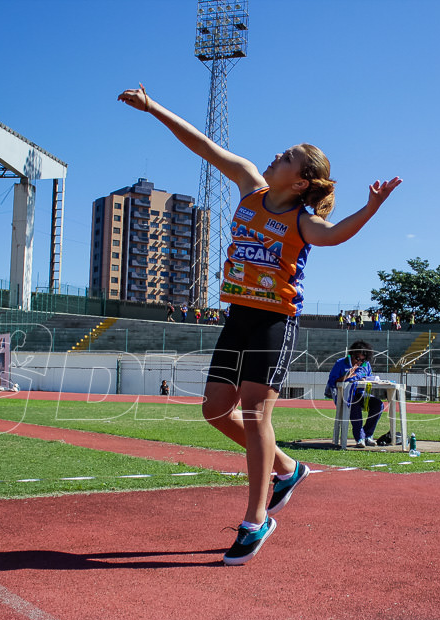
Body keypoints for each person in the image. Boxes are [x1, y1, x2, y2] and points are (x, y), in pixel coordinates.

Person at [119, 82, 401, 565]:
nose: (275, 154)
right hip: (237, 317)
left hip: (274, 321)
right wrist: (153, 108)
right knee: (213, 411)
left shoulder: (301, 222)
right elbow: (205, 147)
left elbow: (334, 235)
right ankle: (289, 469)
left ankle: (256, 519)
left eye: (287, 155)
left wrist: (371, 209)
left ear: (301, 180)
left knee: (254, 415)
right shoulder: (251, 185)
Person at [325, 341, 384, 448]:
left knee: (378, 404)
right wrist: (346, 377)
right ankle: (360, 438)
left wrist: (368, 380)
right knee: (354, 404)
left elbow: (369, 378)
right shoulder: (340, 363)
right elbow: (332, 382)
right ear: (351, 354)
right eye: (357, 358)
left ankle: (367, 435)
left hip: (361, 393)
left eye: (363, 360)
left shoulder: (366, 365)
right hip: (344, 396)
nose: (359, 362)